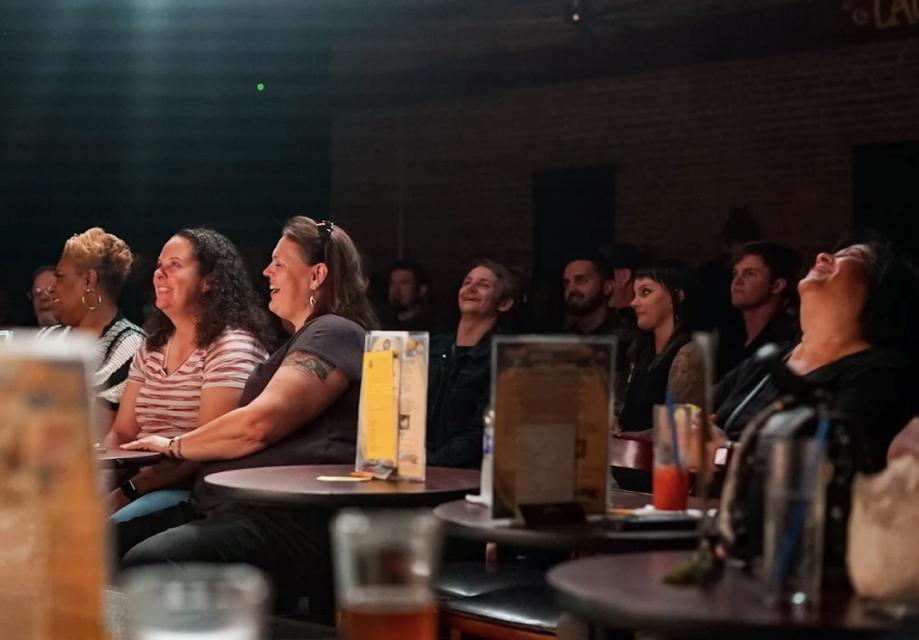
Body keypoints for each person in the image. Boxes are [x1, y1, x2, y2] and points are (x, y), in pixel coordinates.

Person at [116, 217, 377, 610]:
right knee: (99, 545)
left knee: (149, 564)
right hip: (227, 507)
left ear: (317, 275)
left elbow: (257, 426)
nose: (266, 272)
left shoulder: (334, 332)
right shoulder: (304, 338)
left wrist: (173, 445)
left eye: (279, 263)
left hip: (283, 518)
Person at [103, 229, 272, 522]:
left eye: (175, 265)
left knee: (102, 534)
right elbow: (123, 433)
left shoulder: (232, 346)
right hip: (143, 486)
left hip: (195, 494)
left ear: (209, 281)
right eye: (159, 265)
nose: (159, 273)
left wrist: (125, 492)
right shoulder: (152, 346)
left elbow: (204, 449)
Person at [713, 235, 919, 470]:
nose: (822, 256)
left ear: (881, 291)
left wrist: (720, 453)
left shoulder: (882, 373)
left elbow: (827, 464)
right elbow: (699, 409)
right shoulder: (772, 357)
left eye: (850, 257)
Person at [40, 228, 144, 424]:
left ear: (89, 280)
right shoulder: (46, 338)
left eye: (59, 276)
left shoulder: (134, 349)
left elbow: (97, 429)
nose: (52, 288)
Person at [426, 259, 518, 468]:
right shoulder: (433, 347)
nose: (471, 288)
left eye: (484, 285)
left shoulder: (504, 358)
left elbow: (482, 431)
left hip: (466, 473)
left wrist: (432, 463)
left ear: (504, 303)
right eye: (467, 282)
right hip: (417, 466)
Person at [617, 259, 704, 432]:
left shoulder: (689, 353)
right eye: (635, 294)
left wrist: (626, 436)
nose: (634, 302)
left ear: (676, 297)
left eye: (645, 292)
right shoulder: (640, 350)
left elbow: (680, 429)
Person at [717, 241, 801, 376]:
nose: (737, 281)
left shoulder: (788, 341)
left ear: (777, 286)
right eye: (735, 273)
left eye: (750, 274)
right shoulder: (728, 335)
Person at [562, 255, 619, 335]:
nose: (571, 289)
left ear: (607, 287)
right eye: (567, 283)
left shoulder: (628, 337)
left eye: (581, 280)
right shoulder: (564, 336)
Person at [385, 260, 435, 331]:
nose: (396, 291)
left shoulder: (432, 325)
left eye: (404, 283)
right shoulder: (380, 321)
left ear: (421, 290)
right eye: (392, 283)